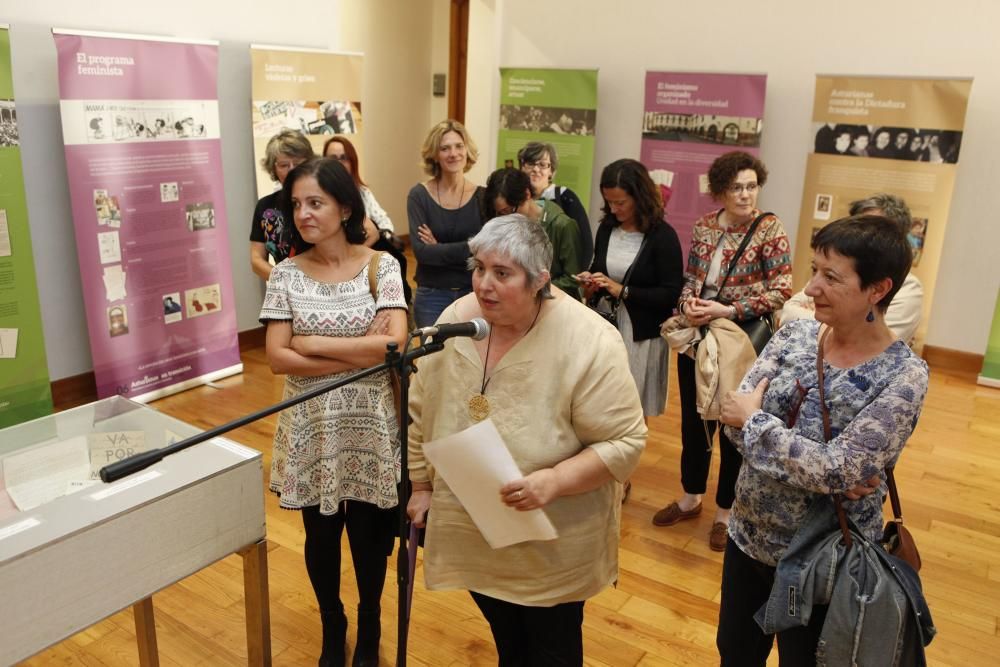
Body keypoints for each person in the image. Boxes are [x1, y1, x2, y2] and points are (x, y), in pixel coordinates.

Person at [406, 215, 646, 664]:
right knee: (509, 642)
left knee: (552, 649)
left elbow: (625, 442)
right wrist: (420, 486)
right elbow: (421, 409)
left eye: (502, 274)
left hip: (552, 542)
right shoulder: (456, 320)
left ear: (538, 280)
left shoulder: (590, 340)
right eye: (479, 268)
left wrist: (552, 481)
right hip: (474, 529)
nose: (484, 285)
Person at [715, 214, 929, 665]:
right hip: (748, 538)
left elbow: (837, 468)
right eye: (814, 270)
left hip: (826, 560)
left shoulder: (904, 376)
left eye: (831, 277)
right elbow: (731, 419)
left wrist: (760, 426)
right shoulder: (794, 334)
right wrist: (820, 468)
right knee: (735, 655)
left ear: (878, 289)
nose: (811, 288)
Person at [260, 157, 408, 667]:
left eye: (315, 203)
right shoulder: (284, 275)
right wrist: (355, 349)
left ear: (345, 207)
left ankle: (369, 624)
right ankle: (332, 623)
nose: (303, 214)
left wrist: (311, 343)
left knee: (369, 540)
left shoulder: (381, 265)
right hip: (310, 426)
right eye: (296, 204)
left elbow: (394, 345)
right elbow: (278, 359)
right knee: (320, 539)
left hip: (369, 423)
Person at [652, 151, 792, 551]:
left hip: (741, 340)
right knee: (695, 423)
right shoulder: (703, 227)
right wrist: (688, 306)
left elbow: (782, 287)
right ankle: (690, 497)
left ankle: (725, 512)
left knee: (731, 425)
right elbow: (691, 280)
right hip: (699, 337)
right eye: (736, 187)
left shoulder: (769, 228)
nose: (745, 195)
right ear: (720, 191)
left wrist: (728, 308)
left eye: (751, 186)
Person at [578, 158, 684, 422]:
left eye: (621, 202)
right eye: (609, 202)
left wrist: (623, 291)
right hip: (606, 324)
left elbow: (670, 294)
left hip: (640, 335)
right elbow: (598, 266)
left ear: (639, 196)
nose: (614, 209)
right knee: (598, 402)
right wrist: (591, 282)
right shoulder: (606, 228)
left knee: (630, 412)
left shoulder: (663, 236)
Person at [781, 193, 924, 345]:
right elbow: (788, 314)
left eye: (868, 229)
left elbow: (876, 341)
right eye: (854, 225)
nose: (812, 290)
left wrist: (815, 314)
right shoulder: (830, 269)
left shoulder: (909, 286)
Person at [407, 119, 484, 327]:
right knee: (431, 359)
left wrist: (438, 248)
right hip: (432, 295)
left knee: (469, 358)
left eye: (459, 146)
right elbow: (422, 253)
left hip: (473, 293)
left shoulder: (482, 196)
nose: (453, 153)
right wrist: (470, 246)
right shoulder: (419, 195)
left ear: (467, 150)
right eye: (445, 148)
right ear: (435, 154)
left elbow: (485, 249)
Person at [323, 135, 412, 304]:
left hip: (365, 271)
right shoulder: (318, 194)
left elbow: (384, 225)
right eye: (333, 158)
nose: (339, 163)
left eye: (344, 158)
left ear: (352, 162)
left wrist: (353, 256)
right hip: (331, 272)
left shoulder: (362, 193)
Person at [482, 167, 582, 298]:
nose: (505, 218)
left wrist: (531, 287)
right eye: (500, 214)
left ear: (527, 194)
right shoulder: (503, 223)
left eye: (509, 211)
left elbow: (572, 278)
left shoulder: (562, 225)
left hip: (551, 303)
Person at [250, 129, 315, 281]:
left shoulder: (326, 199)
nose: (292, 170)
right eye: (284, 165)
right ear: (274, 169)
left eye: (298, 163)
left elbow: (369, 233)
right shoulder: (265, 206)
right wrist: (285, 282)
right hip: (286, 292)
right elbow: (256, 260)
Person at [517, 141, 593, 268]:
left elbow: (585, 243)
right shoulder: (516, 197)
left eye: (542, 165)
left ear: (551, 171)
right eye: (530, 163)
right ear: (522, 166)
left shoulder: (566, 197)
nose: (536, 169)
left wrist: (576, 278)